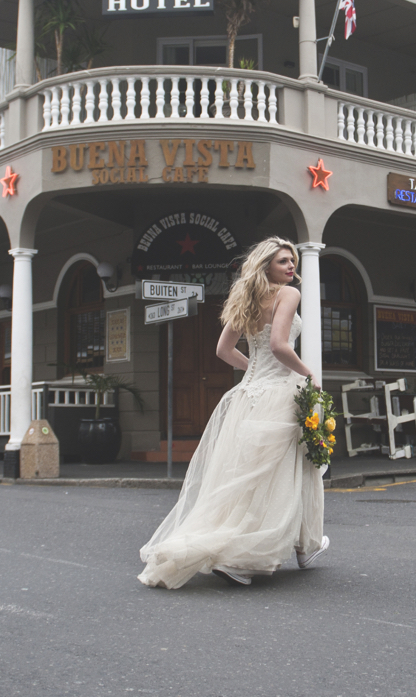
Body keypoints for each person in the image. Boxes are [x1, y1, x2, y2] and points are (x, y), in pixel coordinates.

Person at [138, 236, 329, 589]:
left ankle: (298, 545)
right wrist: (307, 375)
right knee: (291, 468)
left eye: (293, 261)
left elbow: (223, 350)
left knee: (246, 473)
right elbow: (279, 346)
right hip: (278, 393)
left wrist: (253, 372)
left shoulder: (247, 298)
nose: (292, 266)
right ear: (266, 264)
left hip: (247, 395)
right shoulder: (289, 295)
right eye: (283, 261)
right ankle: (263, 553)